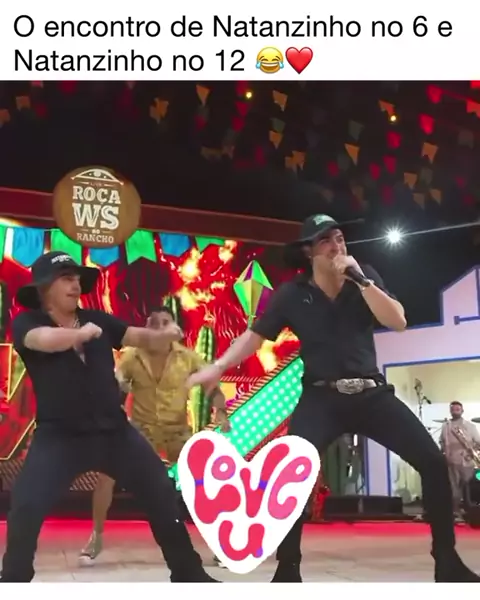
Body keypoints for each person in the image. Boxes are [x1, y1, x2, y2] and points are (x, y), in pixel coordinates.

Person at [187, 214, 480, 583]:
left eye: (339, 238)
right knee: (288, 474)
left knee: (433, 462)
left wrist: (362, 281)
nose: (336, 246)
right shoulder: (293, 294)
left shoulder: (364, 277)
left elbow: (398, 321)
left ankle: (447, 561)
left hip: (372, 394)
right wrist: (218, 366)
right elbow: (255, 336)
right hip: (321, 397)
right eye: (325, 240)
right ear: (309, 251)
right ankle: (288, 568)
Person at [0, 251, 218, 583]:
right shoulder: (28, 322)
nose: (75, 285)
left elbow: (135, 336)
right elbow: (43, 341)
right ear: (45, 288)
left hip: (114, 432)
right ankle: (14, 580)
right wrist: (79, 336)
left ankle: (188, 573)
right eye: (66, 279)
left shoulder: (96, 319)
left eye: (77, 279)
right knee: (27, 504)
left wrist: (165, 335)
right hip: (60, 436)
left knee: (161, 491)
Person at [79, 305, 230, 568]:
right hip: (141, 431)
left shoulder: (187, 357)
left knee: (206, 476)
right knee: (106, 476)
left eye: (165, 322)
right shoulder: (132, 357)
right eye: (153, 323)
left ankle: (222, 542)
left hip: (177, 431)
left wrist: (221, 411)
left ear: (174, 328)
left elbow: (213, 387)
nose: (159, 327)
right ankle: (96, 537)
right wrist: (115, 391)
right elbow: (117, 383)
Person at [440, 401, 480, 519]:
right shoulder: (446, 426)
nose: (455, 411)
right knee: (454, 488)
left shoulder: (470, 426)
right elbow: (442, 442)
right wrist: (444, 454)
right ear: (450, 411)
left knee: (467, 485)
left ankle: (469, 510)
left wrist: (472, 453)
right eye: (453, 409)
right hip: (451, 460)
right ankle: (455, 511)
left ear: (462, 411)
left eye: (458, 409)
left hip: (466, 460)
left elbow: (478, 442)